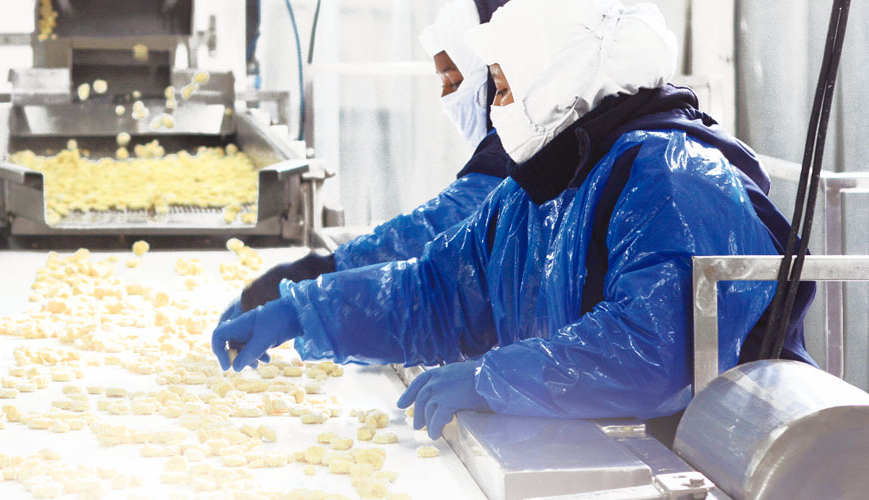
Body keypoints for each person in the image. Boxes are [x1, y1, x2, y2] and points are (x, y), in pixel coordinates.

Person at [211, 0, 813, 440]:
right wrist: (304, 311)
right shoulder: (543, 186)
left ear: (559, 80)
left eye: (502, 89)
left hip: (712, 457)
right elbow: (439, 290)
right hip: (599, 446)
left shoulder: (673, 176)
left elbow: (654, 349)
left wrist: (493, 378)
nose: (495, 110)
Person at [219, 0, 512, 324]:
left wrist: (322, 273)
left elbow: (439, 229)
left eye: (456, 82)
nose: (447, 97)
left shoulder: (518, 152)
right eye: (442, 82)